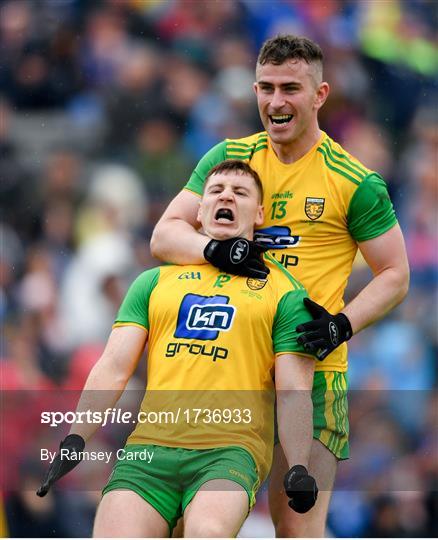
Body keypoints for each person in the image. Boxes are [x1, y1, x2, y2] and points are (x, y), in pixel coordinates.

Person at [150, 35, 410, 537]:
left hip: (312, 376)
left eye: (291, 87)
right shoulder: (230, 160)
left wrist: (341, 325)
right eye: (266, 88)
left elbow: (395, 274)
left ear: (320, 94)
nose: (276, 101)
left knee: (298, 528)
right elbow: (165, 234)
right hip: (226, 369)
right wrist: (215, 249)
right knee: (188, 526)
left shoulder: (354, 181)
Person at [37, 160, 319, 537]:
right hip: (149, 450)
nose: (227, 197)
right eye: (216, 191)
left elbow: (293, 391)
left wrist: (298, 465)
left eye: (240, 192)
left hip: (229, 451)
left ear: (260, 213)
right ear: (199, 211)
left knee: (207, 533)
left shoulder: (286, 292)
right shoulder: (153, 281)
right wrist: (75, 438)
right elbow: (114, 366)